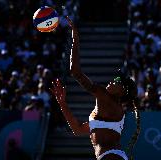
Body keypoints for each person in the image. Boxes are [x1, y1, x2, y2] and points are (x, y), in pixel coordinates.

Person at [50, 17, 140, 160]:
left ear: (123, 91)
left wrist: (75, 40)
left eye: (117, 81)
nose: (112, 80)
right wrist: (63, 104)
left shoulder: (106, 98)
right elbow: (77, 130)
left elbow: (76, 73)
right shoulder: (109, 108)